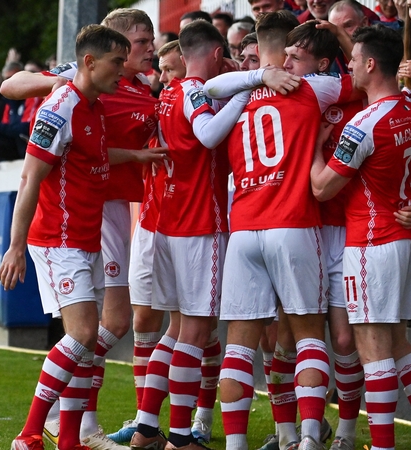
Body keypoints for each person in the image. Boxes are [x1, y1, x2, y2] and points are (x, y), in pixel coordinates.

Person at [204, 14, 363, 450]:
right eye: (291, 52)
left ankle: (239, 445)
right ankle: (310, 440)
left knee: (239, 346)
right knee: (310, 335)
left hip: (244, 230)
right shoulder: (312, 86)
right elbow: (363, 80)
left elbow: (205, 91)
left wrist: (254, 75)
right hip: (292, 222)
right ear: (286, 48)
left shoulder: (237, 90)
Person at [310, 23, 411, 450]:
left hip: (372, 243)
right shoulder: (409, 106)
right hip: (404, 238)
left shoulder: (363, 124)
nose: (349, 66)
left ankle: (383, 445)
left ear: (371, 64)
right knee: (396, 344)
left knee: (373, 351)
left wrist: (313, 148)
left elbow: (321, 188)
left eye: (353, 59)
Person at [0, 24, 130, 450]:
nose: (122, 70)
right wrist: (16, 246)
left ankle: (69, 439)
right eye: (116, 62)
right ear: (89, 62)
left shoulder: (93, 105)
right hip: (58, 239)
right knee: (79, 335)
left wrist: (139, 156)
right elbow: (29, 179)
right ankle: (29, 434)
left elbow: (94, 156)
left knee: (88, 338)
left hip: (85, 237)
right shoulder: (60, 107)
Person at [129, 20, 252, 450]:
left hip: (165, 222)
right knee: (196, 333)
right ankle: (181, 437)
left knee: (175, 329)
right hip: (200, 224)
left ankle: (146, 427)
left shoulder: (167, 93)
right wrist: (244, 93)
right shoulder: (195, 91)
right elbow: (207, 134)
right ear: (217, 54)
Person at [106, 38, 188, 447]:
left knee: (196, 331)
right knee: (149, 322)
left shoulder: (179, 102)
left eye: (172, 69)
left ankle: (190, 425)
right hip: (155, 225)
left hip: (197, 225)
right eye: (163, 69)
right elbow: (12, 86)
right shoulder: (147, 101)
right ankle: (147, 423)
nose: (164, 76)